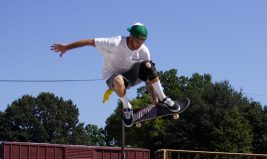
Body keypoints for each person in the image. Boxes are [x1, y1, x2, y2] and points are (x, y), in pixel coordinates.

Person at [51, 22, 180, 126]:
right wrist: (67, 47)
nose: (139, 46)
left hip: (132, 76)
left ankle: (163, 98)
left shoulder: (144, 51)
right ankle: (126, 107)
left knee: (148, 65)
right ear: (131, 36)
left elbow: (148, 77)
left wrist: (155, 99)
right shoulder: (114, 43)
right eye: (137, 42)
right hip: (112, 77)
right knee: (118, 80)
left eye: (142, 43)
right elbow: (89, 42)